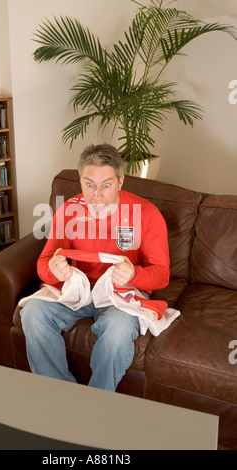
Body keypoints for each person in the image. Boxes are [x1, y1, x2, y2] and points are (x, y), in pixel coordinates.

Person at [21, 143, 170, 391]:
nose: (97, 195)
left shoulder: (148, 214)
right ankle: (62, 397)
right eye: (89, 184)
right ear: (80, 182)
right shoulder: (70, 209)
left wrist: (135, 274)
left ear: (121, 181)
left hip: (122, 294)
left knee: (118, 330)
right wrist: (53, 270)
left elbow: (162, 275)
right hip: (79, 291)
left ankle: (95, 405)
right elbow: (44, 263)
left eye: (106, 185)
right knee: (33, 312)